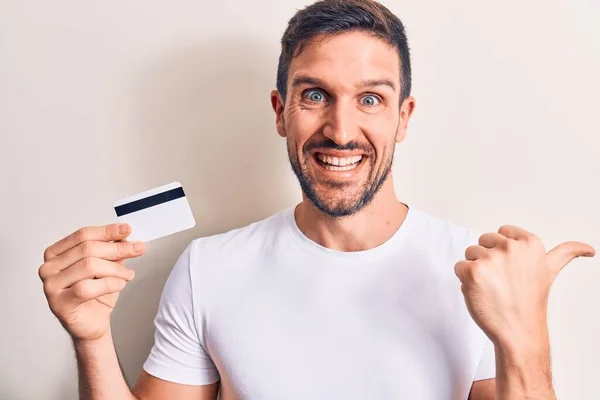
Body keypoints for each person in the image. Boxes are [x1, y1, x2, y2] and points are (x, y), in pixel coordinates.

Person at [38, 0, 595, 399]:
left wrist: (524, 335)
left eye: (371, 98)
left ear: (403, 118)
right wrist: (90, 339)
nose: (341, 130)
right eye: (314, 95)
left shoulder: (478, 275)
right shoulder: (209, 268)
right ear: (280, 111)